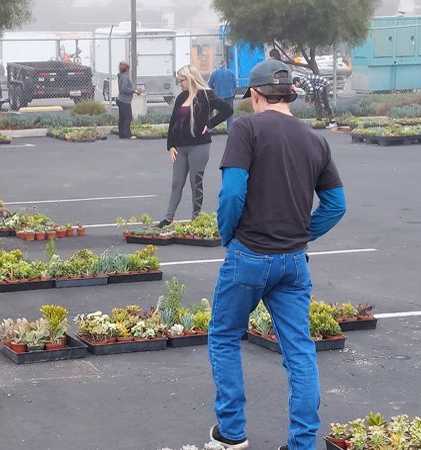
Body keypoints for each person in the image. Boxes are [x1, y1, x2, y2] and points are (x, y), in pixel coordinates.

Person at [208, 59, 346, 450]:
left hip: (249, 255)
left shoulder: (247, 129)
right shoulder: (315, 140)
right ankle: (302, 444)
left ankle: (232, 434)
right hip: (294, 262)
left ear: (255, 94)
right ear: (289, 94)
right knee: (299, 352)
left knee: (223, 337)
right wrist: (302, 233)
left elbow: (233, 192)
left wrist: (228, 235)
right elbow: (336, 204)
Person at [158, 65, 233, 228]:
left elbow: (227, 109)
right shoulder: (181, 97)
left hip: (199, 146)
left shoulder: (206, 95)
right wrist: (170, 145)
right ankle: (168, 218)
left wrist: (210, 124)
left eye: (181, 80)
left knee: (195, 182)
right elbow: (173, 122)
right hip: (180, 147)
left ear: (190, 78)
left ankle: (196, 218)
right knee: (176, 183)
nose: (180, 84)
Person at [208, 62, 237, 131]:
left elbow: (210, 84)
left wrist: (213, 91)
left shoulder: (215, 73)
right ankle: (229, 129)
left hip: (218, 95)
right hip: (229, 94)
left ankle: (216, 128)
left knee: (219, 112)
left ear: (218, 66)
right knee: (229, 111)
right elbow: (235, 83)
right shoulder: (230, 72)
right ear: (225, 65)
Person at [116, 62, 139, 139]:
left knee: (122, 118)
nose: (130, 71)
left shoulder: (121, 76)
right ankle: (127, 134)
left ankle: (121, 134)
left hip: (120, 99)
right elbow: (124, 88)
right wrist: (134, 91)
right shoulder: (125, 77)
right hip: (124, 101)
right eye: (129, 69)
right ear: (126, 70)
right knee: (128, 118)